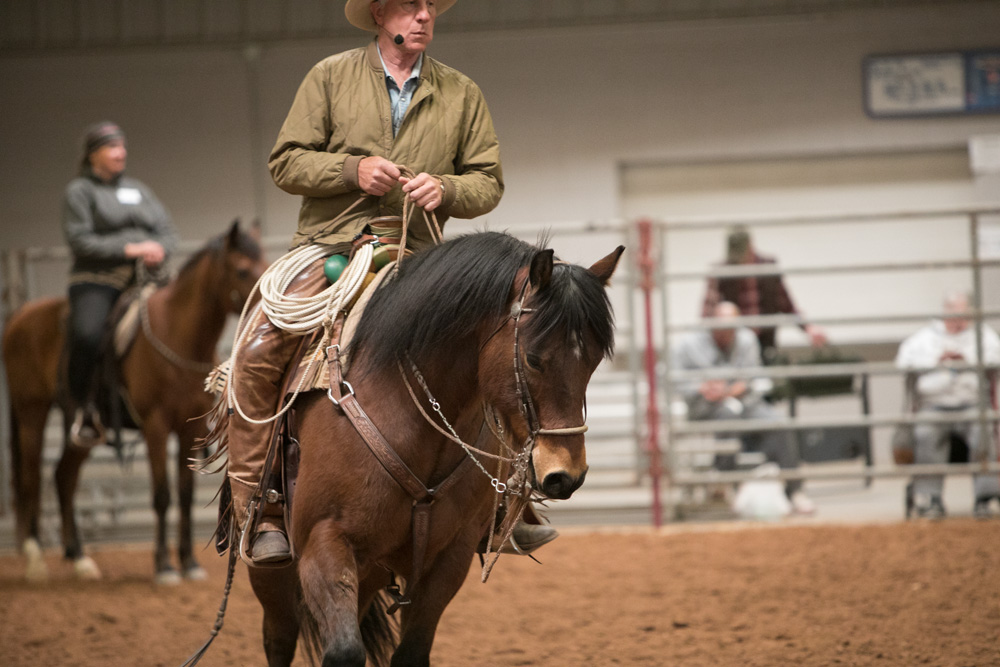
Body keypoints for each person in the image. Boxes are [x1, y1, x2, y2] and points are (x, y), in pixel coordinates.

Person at [223, 0, 559, 565]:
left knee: (493, 348)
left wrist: (446, 189)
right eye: (411, 4)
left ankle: (503, 503)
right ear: (381, 14)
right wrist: (350, 170)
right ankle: (262, 505)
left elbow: (487, 182)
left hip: (420, 254)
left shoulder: (461, 92)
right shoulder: (329, 77)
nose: (425, 15)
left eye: (431, 6)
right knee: (259, 349)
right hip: (331, 243)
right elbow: (285, 163)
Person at [62, 121, 177, 448]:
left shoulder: (139, 190)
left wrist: (159, 248)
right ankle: (84, 407)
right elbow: (80, 241)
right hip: (98, 281)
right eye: (113, 147)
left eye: (122, 146)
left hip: (147, 280)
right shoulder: (80, 192)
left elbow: (168, 232)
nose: (121, 153)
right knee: (86, 334)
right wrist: (132, 248)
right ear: (93, 154)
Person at [673, 301, 815, 514]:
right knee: (728, 414)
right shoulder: (688, 344)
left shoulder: (746, 339)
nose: (725, 335)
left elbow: (756, 376)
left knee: (780, 424)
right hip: (706, 407)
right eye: (720, 329)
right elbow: (674, 379)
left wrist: (738, 388)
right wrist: (701, 387)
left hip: (745, 402)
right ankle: (723, 482)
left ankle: (795, 491)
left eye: (730, 330)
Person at [895, 291, 1000, 519]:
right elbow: (903, 361)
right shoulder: (924, 337)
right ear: (944, 312)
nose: (957, 319)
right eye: (952, 313)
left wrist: (967, 361)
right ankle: (929, 499)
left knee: (982, 430)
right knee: (924, 432)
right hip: (933, 405)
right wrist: (936, 361)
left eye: (962, 314)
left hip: (971, 404)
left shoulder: (983, 335)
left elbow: (996, 359)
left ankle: (986, 497)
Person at [702, 225, 827, 364]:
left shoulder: (768, 268)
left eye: (742, 256)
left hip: (764, 341)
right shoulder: (722, 272)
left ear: (750, 246)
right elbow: (708, 313)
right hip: (733, 346)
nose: (739, 263)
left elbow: (787, 305)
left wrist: (807, 327)